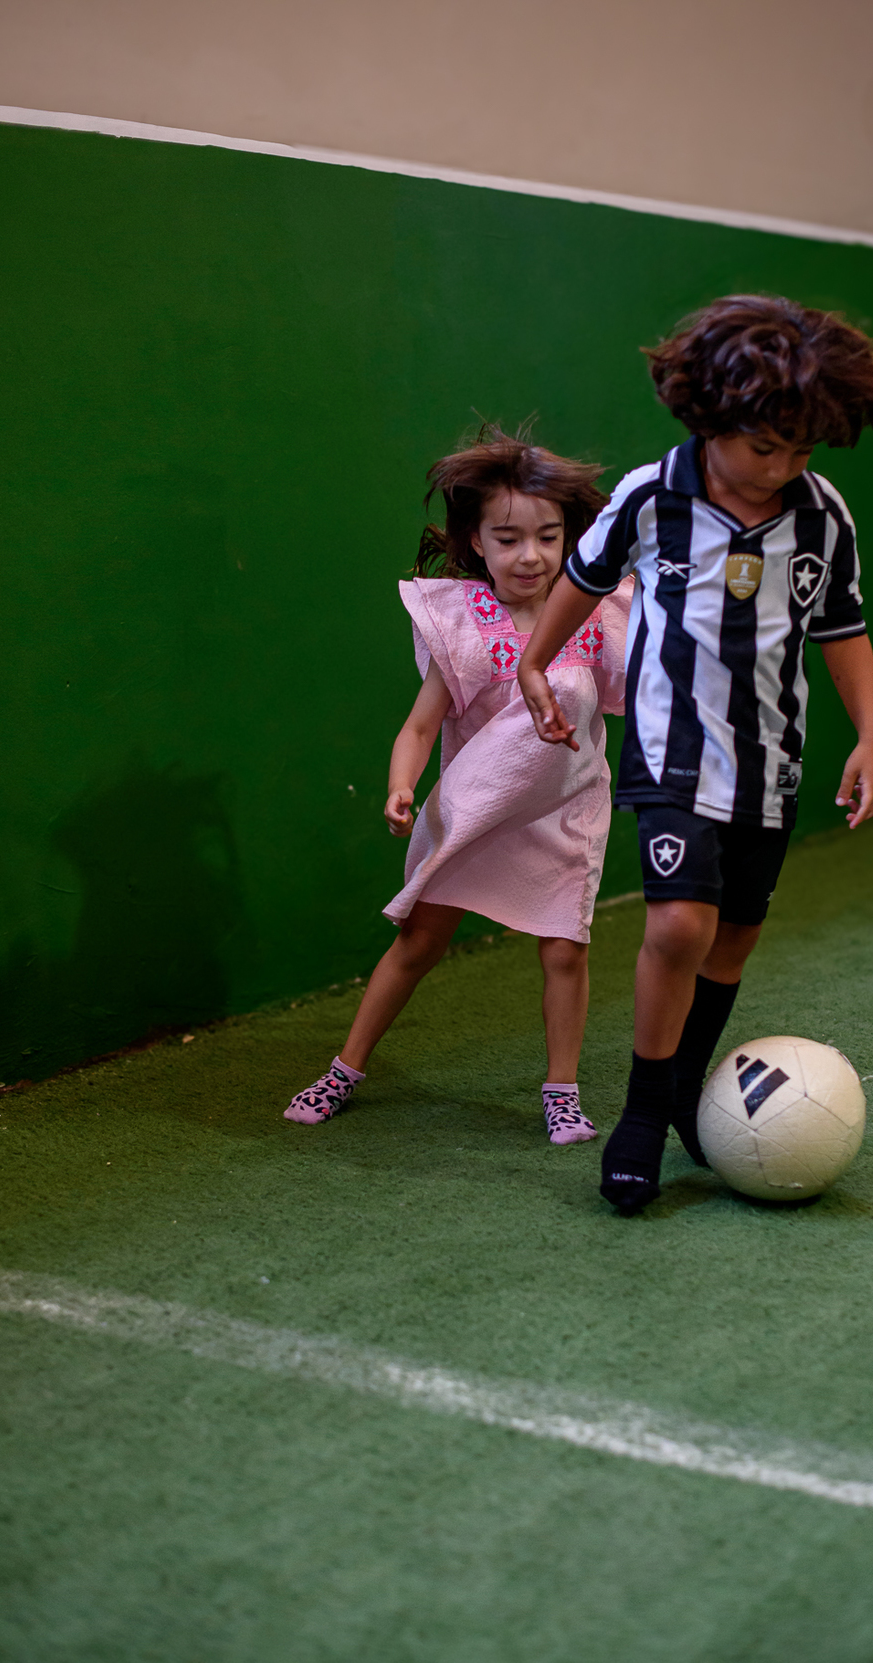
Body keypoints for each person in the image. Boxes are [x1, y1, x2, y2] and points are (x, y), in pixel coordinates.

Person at [517, 295, 873, 1213]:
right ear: (709, 417)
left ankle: (690, 1095)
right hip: (672, 749)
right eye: (763, 447)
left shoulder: (823, 516)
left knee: (733, 939)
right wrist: (535, 662)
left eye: (800, 451)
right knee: (679, 927)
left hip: (771, 760)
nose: (781, 468)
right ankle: (643, 1114)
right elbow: (584, 579)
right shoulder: (651, 496)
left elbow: (842, 628)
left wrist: (872, 732)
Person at [284, 430, 632, 1143]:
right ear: (476, 541)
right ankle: (344, 1070)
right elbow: (419, 728)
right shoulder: (464, 623)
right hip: (474, 812)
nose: (530, 555)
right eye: (508, 539)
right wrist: (401, 786)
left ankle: (562, 1092)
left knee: (565, 949)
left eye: (548, 537)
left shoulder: (596, 615)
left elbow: (644, 689)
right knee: (418, 944)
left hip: (566, 811)